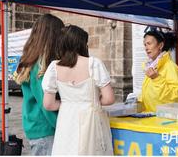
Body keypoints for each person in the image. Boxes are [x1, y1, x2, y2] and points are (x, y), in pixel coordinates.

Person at [42, 25, 114, 155]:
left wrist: (68, 102)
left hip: (66, 118)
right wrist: (92, 101)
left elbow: (48, 104)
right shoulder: (93, 64)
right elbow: (109, 99)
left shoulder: (54, 67)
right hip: (91, 119)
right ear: (81, 44)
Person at [15, 14, 65, 156]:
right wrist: (64, 128)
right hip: (46, 129)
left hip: (38, 127)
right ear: (52, 36)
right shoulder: (40, 66)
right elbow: (46, 105)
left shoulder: (33, 60)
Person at [140, 28, 178, 112]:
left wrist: (157, 79)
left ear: (160, 45)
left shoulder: (170, 67)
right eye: (145, 45)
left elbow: (174, 96)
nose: (146, 48)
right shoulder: (151, 67)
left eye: (149, 43)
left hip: (166, 119)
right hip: (151, 117)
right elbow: (149, 95)